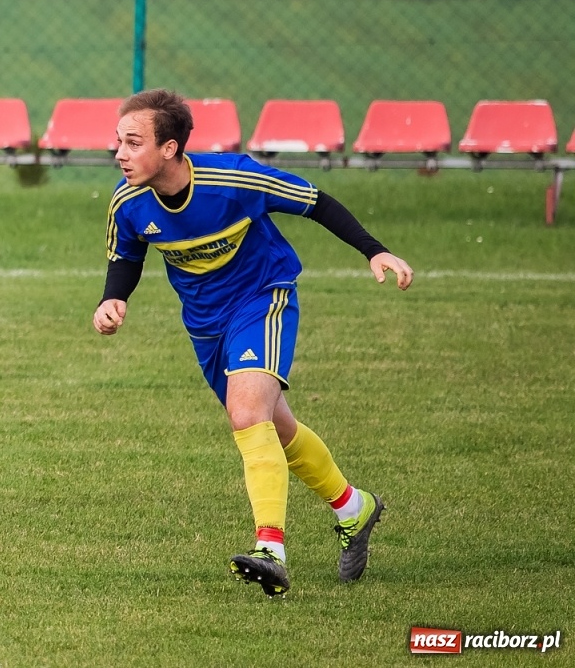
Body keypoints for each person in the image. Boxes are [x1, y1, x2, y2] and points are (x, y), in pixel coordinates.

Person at [93, 89, 412, 597]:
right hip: (205, 324)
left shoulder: (233, 179)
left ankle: (271, 549)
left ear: (170, 148)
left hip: (262, 298)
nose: (120, 154)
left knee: (248, 415)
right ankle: (354, 507)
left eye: (133, 143)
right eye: (118, 143)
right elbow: (125, 256)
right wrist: (114, 300)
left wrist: (375, 252)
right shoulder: (127, 202)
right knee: (274, 428)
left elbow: (316, 202)